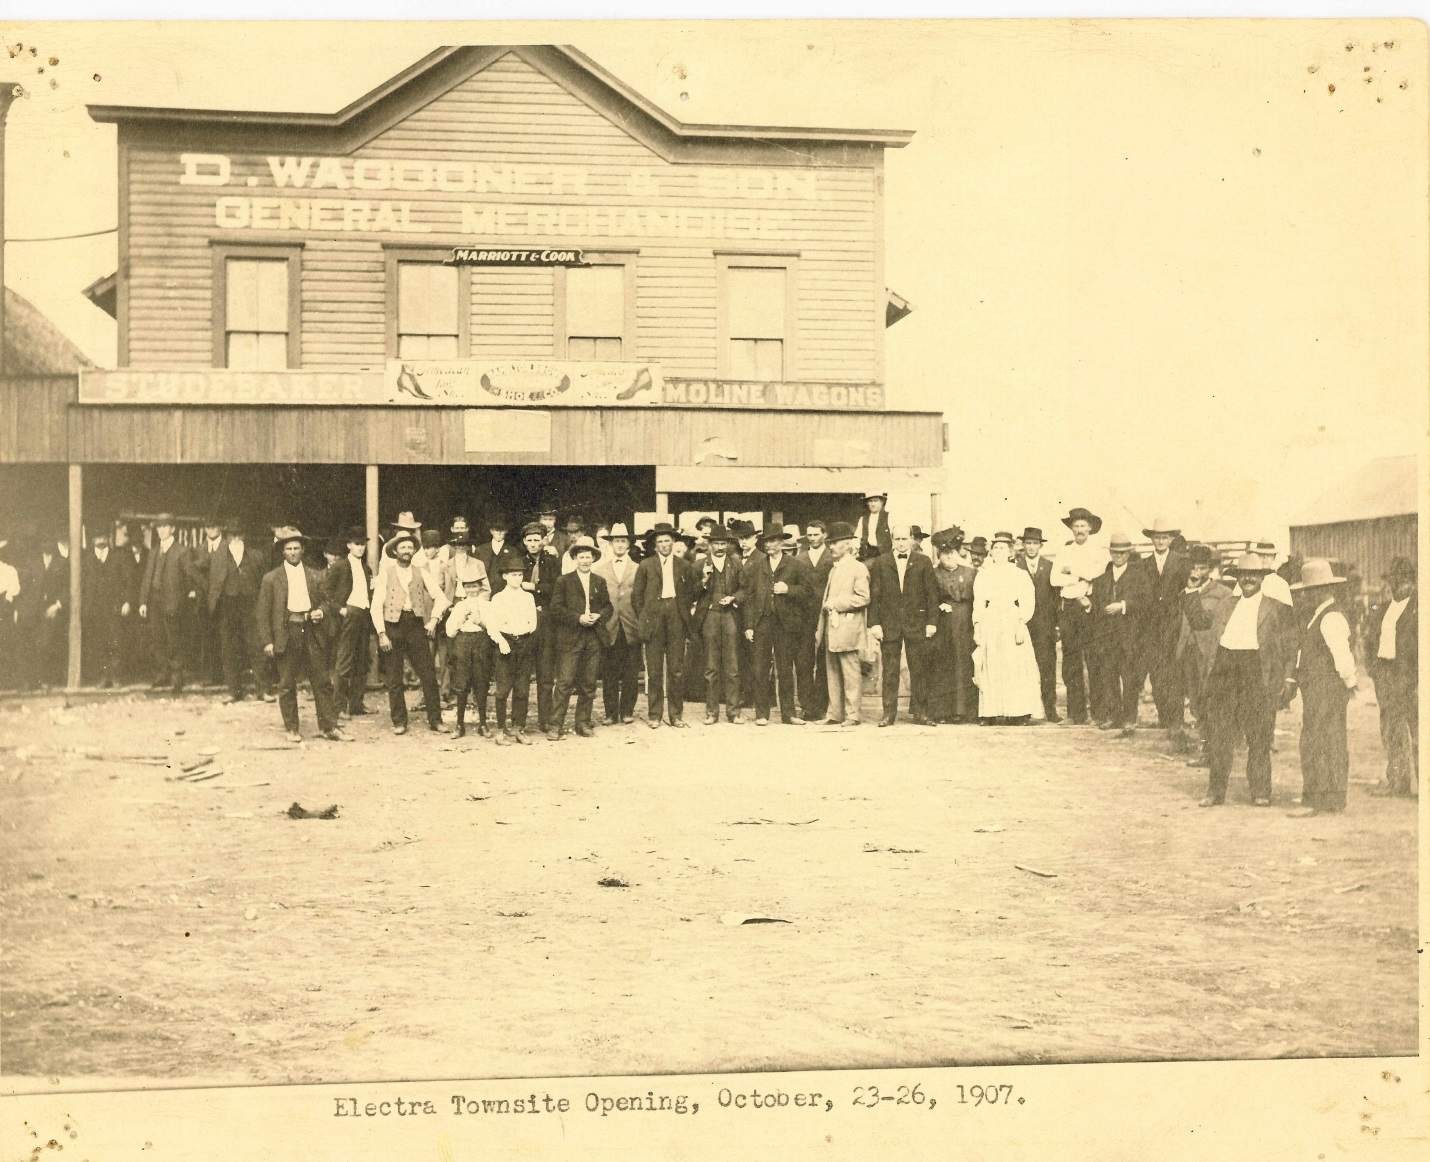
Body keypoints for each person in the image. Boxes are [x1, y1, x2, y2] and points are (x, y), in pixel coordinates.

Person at [1198, 551, 1292, 808]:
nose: (1248, 579)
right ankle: (1215, 792)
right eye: (1243, 575)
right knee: (1219, 736)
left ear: (1262, 577)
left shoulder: (1276, 607)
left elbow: (1287, 646)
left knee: (1259, 736)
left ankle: (1260, 791)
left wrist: (1287, 678)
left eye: (1254, 575)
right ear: (1237, 578)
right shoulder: (1226, 604)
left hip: (1256, 672)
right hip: (1225, 671)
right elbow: (1207, 633)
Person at [255, 528, 344, 744]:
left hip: (311, 631)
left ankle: (329, 726)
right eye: (289, 549)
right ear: (283, 552)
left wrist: (320, 611)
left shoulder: (314, 575)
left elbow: (327, 600)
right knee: (287, 682)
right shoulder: (271, 579)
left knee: (322, 680)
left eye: (296, 548)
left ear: (302, 550)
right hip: (287, 632)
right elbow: (262, 612)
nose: (293, 552)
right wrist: (267, 640)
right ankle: (292, 728)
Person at [1285, 559, 1358, 817]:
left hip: (1326, 688)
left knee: (1323, 740)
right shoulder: (1317, 615)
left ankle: (1323, 796)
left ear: (1321, 590)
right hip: (1317, 688)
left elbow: (1341, 653)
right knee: (1321, 738)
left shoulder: (1331, 617)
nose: (1305, 595)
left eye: (1308, 591)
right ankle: (1325, 795)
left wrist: (1349, 681)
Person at [370, 527, 451, 736]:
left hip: (415, 626)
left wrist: (433, 620)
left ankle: (436, 719)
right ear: (395, 551)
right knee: (395, 678)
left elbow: (441, 598)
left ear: (414, 551)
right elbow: (376, 605)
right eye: (402, 547)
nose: (406, 550)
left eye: (410, 547)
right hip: (392, 626)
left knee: (428, 675)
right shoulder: (386, 574)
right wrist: (381, 633)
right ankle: (399, 721)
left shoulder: (421, 572)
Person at [867, 523, 938, 726]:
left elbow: (931, 595)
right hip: (889, 624)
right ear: (892, 541)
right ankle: (889, 714)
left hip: (917, 623)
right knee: (890, 670)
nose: (900, 543)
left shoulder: (923, 562)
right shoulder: (882, 562)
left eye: (904, 539)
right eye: (897, 539)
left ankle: (921, 713)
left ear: (911, 539)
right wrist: (874, 623)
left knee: (919, 668)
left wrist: (932, 622)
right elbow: (875, 595)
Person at [741, 525, 812, 725]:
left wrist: (788, 589)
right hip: (762, 622)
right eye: (767, 541)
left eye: (774, 541)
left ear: (782, 542)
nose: (770, 545)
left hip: (785, 624)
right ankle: (762, 714)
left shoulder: (795, 565)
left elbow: (808, 593)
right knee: (760, 668)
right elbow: (749, 598)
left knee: (785, 668)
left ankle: (788, 714)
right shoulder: (757, 566)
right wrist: (748, 625)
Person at [971, 532, 1041, 724]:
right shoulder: (984, 575)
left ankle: (1018, 712)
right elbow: (978, 603)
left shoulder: (1019, 574)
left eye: (1003, 548)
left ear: (1010, 552)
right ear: (991, 552)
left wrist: (1021, 624)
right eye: (995, 548)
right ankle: (990, 712)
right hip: (991, 621)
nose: (999, 551)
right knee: (991, 665)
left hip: (1012, 621)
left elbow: (1027, 601)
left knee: (1014, 666)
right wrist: (977, 625)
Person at [1174, 543, 1235, 764]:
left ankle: (1213, 751)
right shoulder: (1185, 591)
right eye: (1193, 568)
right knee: (1196, 701)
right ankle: (1206, 746)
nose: (1196, 572)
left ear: (1210, 569)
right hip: (1189, 652)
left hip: (1209, 655)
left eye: (1201, 568)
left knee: (1210, 700)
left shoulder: (1222, 594)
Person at [547, 536, 613, 740]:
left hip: (593, 637)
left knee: (589, 682)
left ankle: (582, 723)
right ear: (575, 558)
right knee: (565, 682)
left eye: (588, 557)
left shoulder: (599, 581)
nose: (585, 560)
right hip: (571, 637)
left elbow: (608, 606)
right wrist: (578, 618)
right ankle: (555, 725)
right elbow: (555, 609)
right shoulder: (564, 580)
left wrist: (598, 615)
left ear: (593, 558)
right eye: (581, 556)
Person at [633, 522, 695, 729]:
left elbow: (691, 592)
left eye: (667, 540)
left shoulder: (684, 565)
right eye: (660, 541)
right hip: (654, 620)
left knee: (676, 669)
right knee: (655, 670)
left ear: (673, 542)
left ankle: (676, 715)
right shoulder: (646, 565)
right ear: (654, 545)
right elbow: (637, 597)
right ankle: (654, 715)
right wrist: (646, 617)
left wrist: (683, 612)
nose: (664, 545)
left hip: (676, 617)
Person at [1091, 532, 1153, 736]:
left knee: (1129, 678)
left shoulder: (1139, 576)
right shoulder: (1102, 579)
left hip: (1129, 636)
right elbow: (1098, 607)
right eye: (1115, 552)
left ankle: (1129, 718)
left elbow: (1146, 602)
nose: (1118, 556)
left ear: (1128, 554)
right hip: (1107, 637)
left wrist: (1123, 605)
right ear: (1110, 553)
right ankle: (1114, 716)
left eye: (1122, 553)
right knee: (1109, 676)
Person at [1051, 507, 1109, 726]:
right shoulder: (1064, 551)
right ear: (1071, 529)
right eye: (1075, 526)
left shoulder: (1099, 551)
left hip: (1089, 607)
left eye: (1083, 526)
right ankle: (1076, 714)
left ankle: (1099, 713)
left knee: (1094, 660)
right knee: (1071, 661)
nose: (1079, 530)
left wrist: (1072, 571)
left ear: (1090, 528)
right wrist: (1081, 575)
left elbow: (1099, 574)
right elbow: (1055, 579)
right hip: (1070, 608)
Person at [1365, 557, 1417, 797]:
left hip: (1409, 677)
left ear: (1411, 581)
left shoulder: (1419, 608)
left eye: (1402, 581)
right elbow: (1370, 640)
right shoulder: (1384, 608)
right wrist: (1374, 669)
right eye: (1394, 580)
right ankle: (1398, 782)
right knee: (1391, 730)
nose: (1398, 586)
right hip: (1385, 675)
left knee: (1417, 730)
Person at [1135, 517, 1191, 731]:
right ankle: (1164, 717)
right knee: (1157, 673)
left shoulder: (1181, 562)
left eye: (1164, 537)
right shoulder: (1143, 564)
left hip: (1174, 626)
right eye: (1156, 537)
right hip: (1150, 628)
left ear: (1170, 539)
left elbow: (1186, 592)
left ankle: (1176, 719)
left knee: (1174, 673)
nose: (1160, 541)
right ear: (1152, 539)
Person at [817, 521, 871, 727]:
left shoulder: (858, 568)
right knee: (832, 672)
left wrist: (836, 604)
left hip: (848, 628)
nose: (831, 547)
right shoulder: (834, 569)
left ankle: (852, 715)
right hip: (832, 627)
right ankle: (835, 714)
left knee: (850, 673)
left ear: (848, 544)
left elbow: (863, 597)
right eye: (830, 543)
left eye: (836, 543)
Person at [207, 520, 267, 703]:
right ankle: (234, 691)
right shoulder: (218, 555)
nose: (235, 538)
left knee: (256, 645)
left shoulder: (256, 556)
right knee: (229, 647)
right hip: (228, 605)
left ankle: (262, 689)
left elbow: (263, 581)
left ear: (244, 536)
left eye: (239, 534)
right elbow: (210, 578)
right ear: (227, 536)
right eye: (232, 535)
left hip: (250, 605)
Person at [138, 513, 198, 693]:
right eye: (159, 527)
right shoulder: (155, 550)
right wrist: (143, 601)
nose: (162, 530)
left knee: (174, 639)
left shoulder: (182, 551)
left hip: (173, 602)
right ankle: (162, 674)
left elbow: (190, 577)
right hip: (154, 601)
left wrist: (189, 594)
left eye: (165, 526)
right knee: (157, 638)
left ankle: (176, 677)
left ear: (173, 529)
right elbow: (147, 577)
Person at [693, 524, 745, 725]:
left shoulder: (735, 563)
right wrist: (704, 581)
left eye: (723, 543)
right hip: (710, 617)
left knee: (732, 666)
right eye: (716, 543)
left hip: (730, 615)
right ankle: (711, 712)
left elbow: (744, 589)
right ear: (709, 544)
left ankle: (733, 712)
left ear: (728, 544)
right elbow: (691, 593)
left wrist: (733, 597)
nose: (720, 547)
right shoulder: (699, 565)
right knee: (711, 667)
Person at [591, 522, 641, 724]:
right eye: (616, 541)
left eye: (623, 541)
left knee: (631, 670)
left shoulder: (638, 568)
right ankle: (611, 713)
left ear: (628, 544)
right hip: (609, 625)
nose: (620, 545)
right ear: (611, 544)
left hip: (631, 625)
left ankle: (627, 711)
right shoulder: (599, 569)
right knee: (610, 671)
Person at [486, 553, 539, 744]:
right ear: (505, 576)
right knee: (502, 690)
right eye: (513, 574)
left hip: (524, 643)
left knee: (522, 690)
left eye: (520, 575)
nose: (517, 578)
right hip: (505, 644)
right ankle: (501, 729)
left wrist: (525, 639)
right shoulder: (498, 598)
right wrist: (502, 641)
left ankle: (519, 728)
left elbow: (532, 623)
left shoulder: (528, 598)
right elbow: (492, 625)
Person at [928, 527, 979, 724]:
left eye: (952, 553)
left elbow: (979, 599)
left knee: (965, 662)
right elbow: (928, 597)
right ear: (939, 555)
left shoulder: (971, 573)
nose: (948, 557)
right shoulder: (933, 573)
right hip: (943, 624)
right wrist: (939, 604)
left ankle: (965, 711)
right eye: (944, 554)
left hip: (966, 622)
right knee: (944, 664)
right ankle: (944, 711)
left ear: (958, 553)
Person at [322, 526, 373, 718]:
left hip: (363, 615)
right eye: (357, 544)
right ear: (349, 545)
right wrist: (340, 609)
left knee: (362, 661)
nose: (360, 548)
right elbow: (325, 591)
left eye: (363, 545)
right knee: (344, 661)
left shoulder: (366, 568)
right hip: (349, 614)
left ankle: (357, 704)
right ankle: (339, 707)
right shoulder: (341, 566)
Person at [516, 521, 560, 733]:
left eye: (537, 540)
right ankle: (519, 721)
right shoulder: (517, 561)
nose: (533, 544)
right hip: (524, 621)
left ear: (543, 541)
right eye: (529, 540)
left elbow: (557, 587)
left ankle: (545, 720)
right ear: (524, 542)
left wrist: (534, 587)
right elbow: (513, 587)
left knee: (545, 674)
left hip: (546, 622)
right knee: (522, 674)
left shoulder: (552, 561)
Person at [1015, 526, 1060, 722]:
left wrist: (1057, 625)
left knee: (1047, 668)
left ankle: (1050, 709)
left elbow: (1057, 599)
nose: (1031, 547)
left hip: (1045, 626)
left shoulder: (1050, 567)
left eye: (1035, 543)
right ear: (1023, 545)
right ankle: (1023, 712)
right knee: (1022, 667)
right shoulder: (1015, 567)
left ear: (1040, 546)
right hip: (1023, 626)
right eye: (1028, 543)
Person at [445, 566, 493, 739]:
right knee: (461, 684)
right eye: (468, 586)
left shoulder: (487, 605)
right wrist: (461, 617)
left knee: (481, 682)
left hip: (481, 642)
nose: (472, 590)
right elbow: (450, 631)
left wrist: (480, 622)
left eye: (475, 586)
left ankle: (483, 724)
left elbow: (493, 628)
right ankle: (459, 725)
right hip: (463, 642)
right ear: (463, 588)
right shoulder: (459, 606)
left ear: (480, 587)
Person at [795, 519, 835, 722]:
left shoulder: (832, 557)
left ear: (825, 535)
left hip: (826, 616)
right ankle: (807, 705)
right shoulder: (800, 558)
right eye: (809, 535)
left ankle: (820, 705)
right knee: (803, 661)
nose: (812, 538)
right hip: (803, 617)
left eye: (816, 534)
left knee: (824, 661)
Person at [81, 527, 125, 687]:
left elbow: (127, 581)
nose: (100, 540)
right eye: (96, 537)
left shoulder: (118, 557)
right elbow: (82, 585)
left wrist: (125, 601)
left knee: (115, 641)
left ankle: (115, 676)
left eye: (102, 536)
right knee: (97, 643)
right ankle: (102, 677)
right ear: (92, 540)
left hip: (113, 607)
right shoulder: (86, 559)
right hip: (93, 608)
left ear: (107, 538)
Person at [194, 517, 228, 685]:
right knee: (207, 638)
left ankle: (226, 676)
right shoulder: (200, 549)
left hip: (223, 600)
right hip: (205, 601)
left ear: (220, 527)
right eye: (208, 526)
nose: (211, 529)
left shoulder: (227, 547)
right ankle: (210, 676)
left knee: (225, 637)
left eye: (214, 526)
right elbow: (195, 573)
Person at [855, 490, 892, 562]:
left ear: (881, 502)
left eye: (875, 501)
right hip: (868, 554)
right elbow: (857, 537)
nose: (873, 504)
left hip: (885, 554)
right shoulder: (863, 519)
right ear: (867, 503)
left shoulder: (888, 516)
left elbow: (894, 536)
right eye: (870, 501)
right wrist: (855, 550)